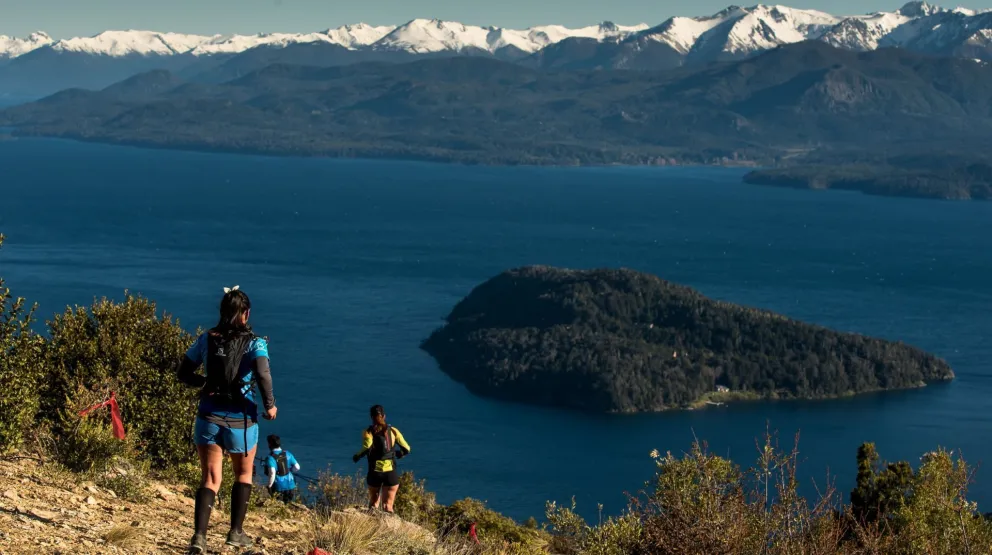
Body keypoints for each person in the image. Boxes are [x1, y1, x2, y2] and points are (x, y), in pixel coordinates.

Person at [177, 286, 277, 554]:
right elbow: (263, 375)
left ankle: (199, 536)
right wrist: (270, 406)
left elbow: (183, 371)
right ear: (246, 314)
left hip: (208, 417)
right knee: (243, 474)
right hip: (241, 421)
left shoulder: (206, 339)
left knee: (210, 478)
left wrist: (204, 382)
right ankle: (235, 532)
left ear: (222, 311)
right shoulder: (256, 342)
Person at [352, 404, 411, 514]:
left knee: (374, 504)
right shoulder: (393, 431)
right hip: (390, 472)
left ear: (371, 417)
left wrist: (357, 456)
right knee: (388, 506)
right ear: (384, 416)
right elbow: (406, 448)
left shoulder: (368, 432)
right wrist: (398, 454)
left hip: (374, 472)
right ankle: (389, 529)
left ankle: (371, 529)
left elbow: (367, 446)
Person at [265, 434, 300, 502]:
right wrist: (290, 470)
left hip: (278, 487)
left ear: (269, 444)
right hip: (291, 485)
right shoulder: (288, 453)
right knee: (288, 503)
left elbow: (272, 473)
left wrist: (269, 486)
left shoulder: (270, 458)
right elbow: (297, 467)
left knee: (278, 506)